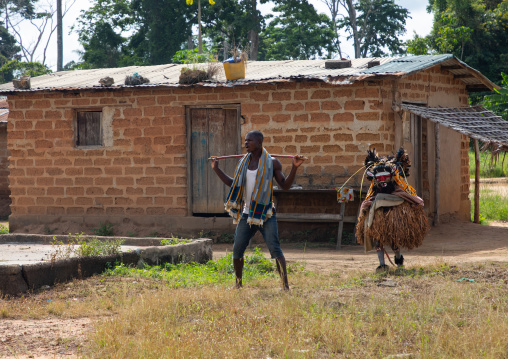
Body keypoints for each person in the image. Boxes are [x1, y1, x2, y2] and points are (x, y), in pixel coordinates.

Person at [210, 130, 305, 290]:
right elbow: (234, 184)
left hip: (266, 213)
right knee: (237, 250)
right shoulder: (243, 163)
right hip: (247, 213)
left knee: (275, 249)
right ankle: (238, 284)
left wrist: (294, 167)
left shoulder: (273, 162)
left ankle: (285, 287)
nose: (246, 143)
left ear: (259, 143)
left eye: (250, 141)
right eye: (245, 140)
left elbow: (285, 186)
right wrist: (216, 169)